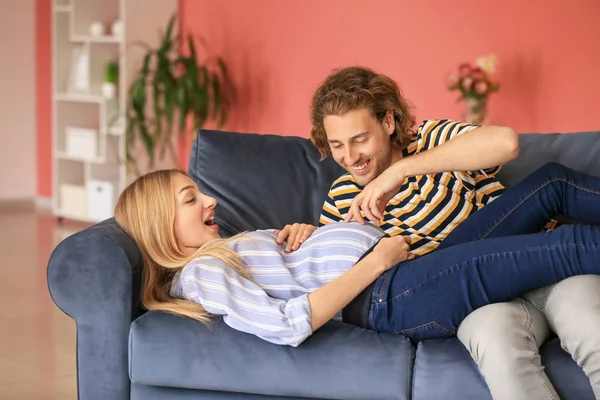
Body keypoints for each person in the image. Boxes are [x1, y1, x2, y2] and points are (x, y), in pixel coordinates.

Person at [308, 65, 600, 400]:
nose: (350, 157)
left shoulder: (431, 140)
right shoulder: (342, 198)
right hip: (476, 302)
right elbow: (335, 282)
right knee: (497, 344)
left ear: (388, 122)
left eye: (360, 139)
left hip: (548, 270)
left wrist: (402, 170)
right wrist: (305, 237)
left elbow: (505, 143)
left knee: (589, 324)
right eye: (337, 145)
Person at [115, 165, 600, 350]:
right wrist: (376, 261)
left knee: (550, 184)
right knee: (565, 248)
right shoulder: (201, 274)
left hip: (404, 270)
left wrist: (315, 235)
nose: (209, 202)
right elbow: (286, 324)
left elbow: (295, 273)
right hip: (392, 293)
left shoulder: (221, 249)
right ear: (161, 225)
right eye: (189, 199)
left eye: (200, 192)